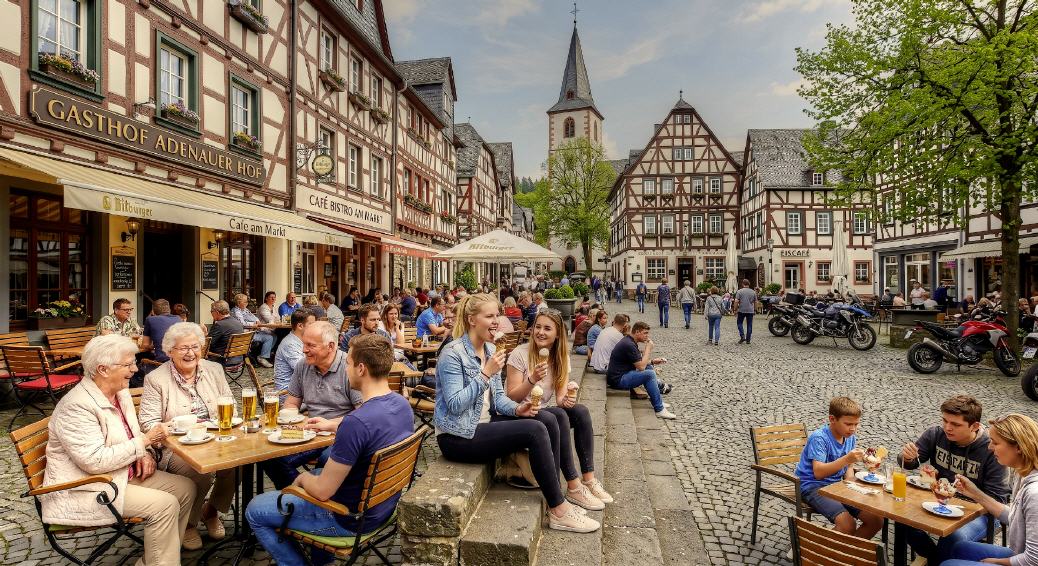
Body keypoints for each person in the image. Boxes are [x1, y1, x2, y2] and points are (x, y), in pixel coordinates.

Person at [434, 294, 600, 533]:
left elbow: (500, 398)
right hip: (457, 436)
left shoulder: (491, 350)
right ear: (472, 320)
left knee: (548, 419)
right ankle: (559, 511)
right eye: (489, 316)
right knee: (534, 430)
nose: (496, 321)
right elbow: (454, 404)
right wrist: (485, 375)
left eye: (496, 315)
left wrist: (518, 409)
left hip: (485, 423)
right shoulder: (453, 353)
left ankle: (558, 496)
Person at [247, 334, 415, 566]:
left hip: (348, 519)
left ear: (361, 369)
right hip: (383, 509)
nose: (345, 368)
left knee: (255, 509)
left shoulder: (356, 422)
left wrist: (304, 478)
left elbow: (323, 491)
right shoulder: (402, 405)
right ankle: (321, 560)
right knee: (316, 474)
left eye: (348, 363)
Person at [39, 334, 195, 564]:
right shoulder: (77, 406)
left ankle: (158, 558)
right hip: (86, 487)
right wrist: (145, 443)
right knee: (165, 504)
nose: (134, 369)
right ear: (103, 369)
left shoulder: (118, 392)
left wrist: (146, 453)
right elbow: (94, 461)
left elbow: (132, 435)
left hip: (119, 475)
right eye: (128, 364)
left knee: (185, 488)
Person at [139, 322, 240, 548]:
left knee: (237, 463)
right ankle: (188, 524)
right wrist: (174, 428)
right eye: (183, 348)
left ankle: (210, 511)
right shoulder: (156, 379)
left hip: (215, 438)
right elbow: (147, 422)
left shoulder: (214, 370)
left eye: (195, 347)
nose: (190, 353)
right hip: (176, 447)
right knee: (198, 471)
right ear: (169, 351)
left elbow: (230, 403)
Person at [505, 311, 613, 508]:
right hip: (519, 413)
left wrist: (569, 396)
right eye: (538, 327)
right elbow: (511, 397)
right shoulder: (519, 354)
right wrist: (532, 379)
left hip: (542, 412)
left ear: (557, 334)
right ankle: (573, 485)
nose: (540, 332)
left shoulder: (561, 357)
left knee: (580, 412)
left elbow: (561, 399)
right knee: (558, 415)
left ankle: (588, 480)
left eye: (547, 328)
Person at [897, 396, 1010, 564]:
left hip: (981, 515)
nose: (947, 428)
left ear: (975, 426)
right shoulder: (936, 434)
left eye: (956, 424)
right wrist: (907, 456)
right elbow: (908, 463)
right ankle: (935, 560)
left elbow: (998, 499)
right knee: (902, 520)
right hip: (938, 503)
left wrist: (970, 492)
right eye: (945, 421)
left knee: (953, 537)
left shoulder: (991, 449)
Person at [261, 321, 365, 489]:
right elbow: (292, 402)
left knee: (326, 460)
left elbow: (362, 414)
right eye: (303, 344)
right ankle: (300, 496)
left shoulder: (349, 367)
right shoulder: (303, 365)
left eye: (310, 345)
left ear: (331, 346)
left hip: (339, 435)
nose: (304, 350)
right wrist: (288, 418)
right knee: (268, 456)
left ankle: (314, 497)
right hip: (309, 433)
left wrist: (331, 424)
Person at [943, 413, 1038, 565]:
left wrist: (998, 561)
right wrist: (974, 493)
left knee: (948, 565)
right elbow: (1013, 518)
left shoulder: (1034, 493)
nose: (989, 447)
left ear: (1019, 447)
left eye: (995, 442)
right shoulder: (1023, 474)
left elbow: (1034, 559)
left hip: (1027, 560)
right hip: (1021, 553)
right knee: (958, 548)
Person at [793, 397, 883, 539]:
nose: (852, 428)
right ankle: (813, 553)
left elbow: (849, 467)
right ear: (832, 419)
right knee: (847, 525)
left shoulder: (850, 437)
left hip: (837, 486)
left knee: (876, 520)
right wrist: (847, 459)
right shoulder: (820, 438)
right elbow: (818, 472)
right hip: (813, 486)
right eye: (848, 424)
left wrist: (852, 486)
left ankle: (847, 555)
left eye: (856, 424)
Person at [606, 322, 676, 419]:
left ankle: (657, 399)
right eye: (645, 333)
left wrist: (652, 362)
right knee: (649, 374)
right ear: (637, 332)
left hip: (621, 374)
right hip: (618, 379)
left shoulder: (630, 341)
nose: (647, 336)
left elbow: (638, 362)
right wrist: (648, 349)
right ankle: (659, 409)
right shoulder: (629, 344)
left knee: (649, 368)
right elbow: (641, 367)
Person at [274, 308, 315, 394]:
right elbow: (304, 370)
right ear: (300, 326)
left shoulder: (301, 341)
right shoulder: (290, 344)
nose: (315, 328)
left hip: (300, 387)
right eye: (312, 325)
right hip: (288, 394)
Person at [230, 293, 275, 368]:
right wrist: (253, 324)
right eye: (244, 302)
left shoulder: (245, 309)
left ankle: (263, 354)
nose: (247, 303)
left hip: (252, 331)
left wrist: (257, 321)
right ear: (238, 302)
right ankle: (262, 357)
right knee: (269, 337)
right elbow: (242, 323)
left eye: (247, 301)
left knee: (273, 335)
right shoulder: (236, 311)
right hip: (245, 334)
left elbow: (254, 317)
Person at [141, 299, 181, 364]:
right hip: (179, 360)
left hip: (162, 362)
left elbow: (145, 345)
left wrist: (154, 345)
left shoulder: (150, 320)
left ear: (153, 311)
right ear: (169, 310)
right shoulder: (178, 318)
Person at [734, 279, 758, 344]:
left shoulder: (739, 291)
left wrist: (735, 309)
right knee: (749, 325)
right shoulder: (753, 292)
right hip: (750, 310)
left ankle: (742, 336)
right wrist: (755, 310)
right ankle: (748, 340)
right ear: (749, 284)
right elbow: (756, 302)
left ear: (742, 284)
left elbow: (736, 301)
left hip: (741, 310)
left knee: (739, 323)